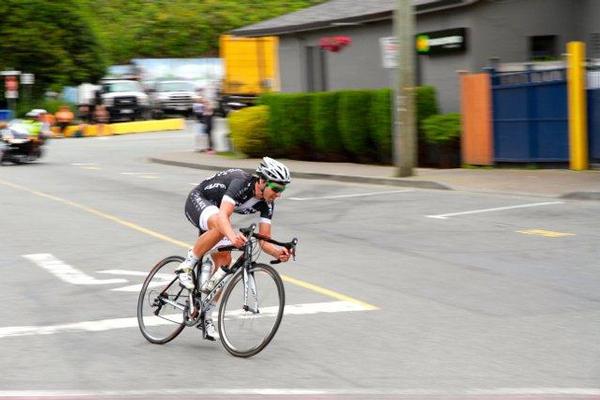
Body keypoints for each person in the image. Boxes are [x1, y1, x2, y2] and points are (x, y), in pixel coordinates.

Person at [177, 157, 292, 340]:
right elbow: (223, 216)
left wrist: (278, 251)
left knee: (225, 265)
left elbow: (264, 241)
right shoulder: (241, 183)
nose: (278, 194)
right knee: (222, 227)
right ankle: (186, 265)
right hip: (199, 200)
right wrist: (232, 236)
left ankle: (206, 315)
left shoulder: (267, 203)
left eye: (282, 189)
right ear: (262, 181)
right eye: (276, 188)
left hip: (215, 215)